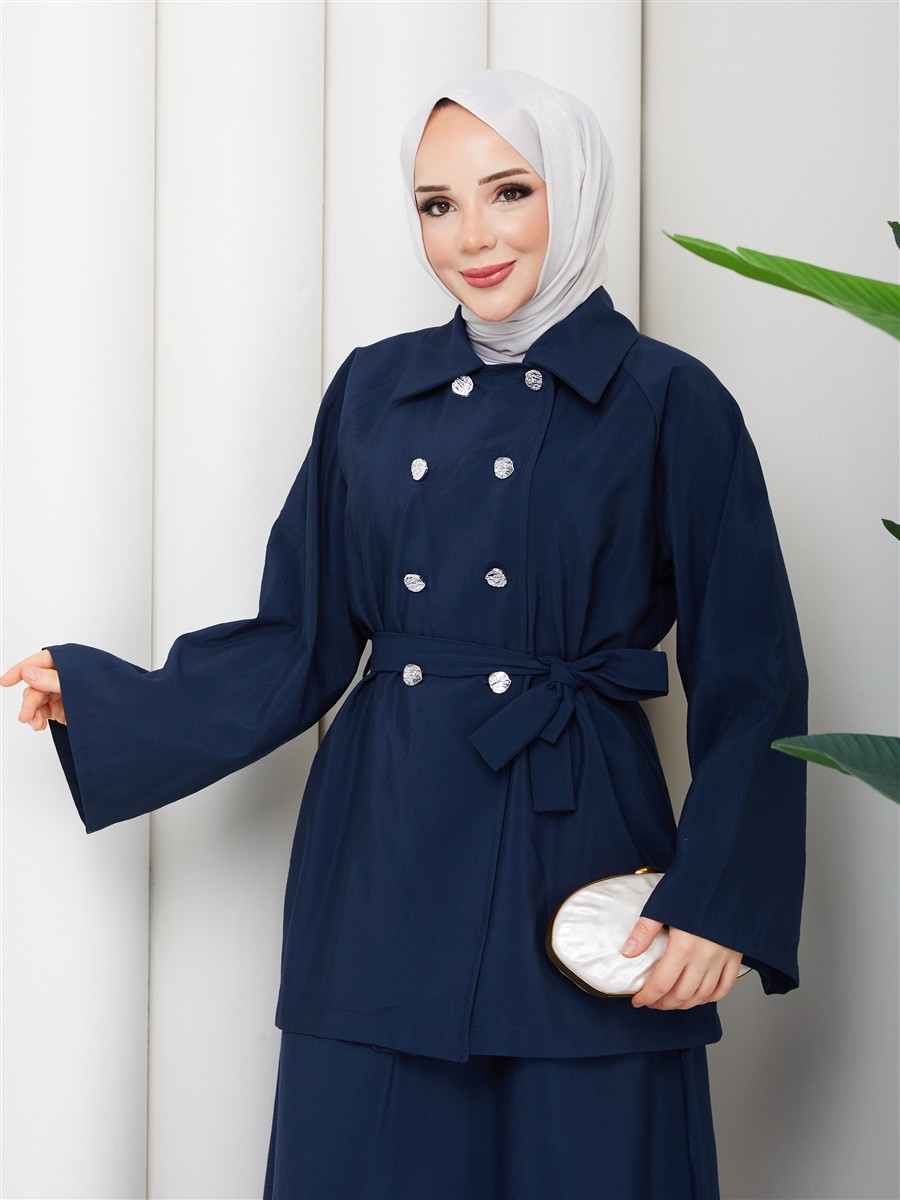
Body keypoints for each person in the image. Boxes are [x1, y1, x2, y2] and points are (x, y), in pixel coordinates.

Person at [1, 69, 807, 1199]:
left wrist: (717, 902)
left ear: (574, 191)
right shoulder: (374, 391)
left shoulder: (670, 398)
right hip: (387, 846)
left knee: (592, 1160)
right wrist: (115, 701)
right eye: (437, 204)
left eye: (509, 191)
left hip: (580, 838)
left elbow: (751, 674)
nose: (472, 237)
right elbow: (303, 632)